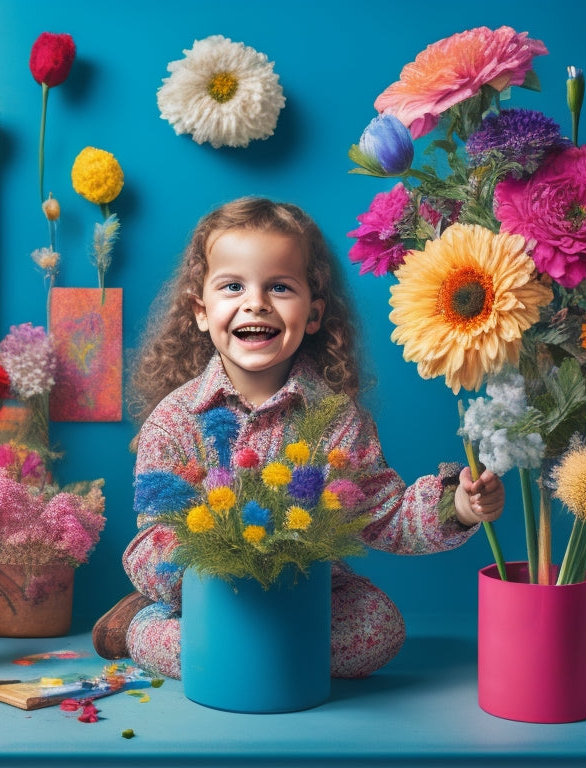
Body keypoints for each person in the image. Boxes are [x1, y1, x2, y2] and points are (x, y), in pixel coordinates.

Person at [111, 196, 504, 679]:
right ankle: (194, 637)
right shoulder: (175, 419)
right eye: (232, 286)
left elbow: (385, 515)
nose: (255, 302)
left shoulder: (337, 419)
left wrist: (459, 508)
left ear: (314, 314)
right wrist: (203, 570)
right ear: (200, 309)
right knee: (154, 634)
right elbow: (153, 533)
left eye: (279, 287)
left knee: (376, 627)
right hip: (209, 594)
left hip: (308, 590)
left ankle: (238, 658)